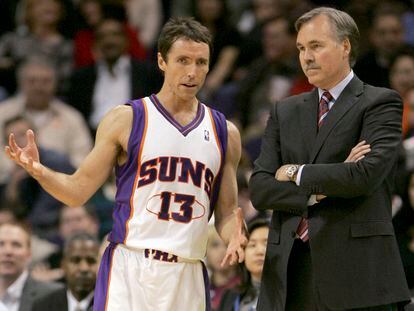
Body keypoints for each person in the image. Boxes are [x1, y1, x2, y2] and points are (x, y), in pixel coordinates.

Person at [5, 17, 247, 310]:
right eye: (182, 60)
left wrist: (235, 233)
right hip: (131, 266)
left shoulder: (225, 132)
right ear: (161, 61)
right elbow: (78, 191)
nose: (192, 72)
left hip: (189, 268)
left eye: (201, 62)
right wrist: (39, 171)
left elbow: (225, 213)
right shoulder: (128, 119)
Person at [249, 7, 411, 310]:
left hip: (357, 273)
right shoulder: (284, 111)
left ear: (345, 46)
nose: (306, 56)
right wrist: (318, 189)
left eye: (316, 46)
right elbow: (260, 188)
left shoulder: (380, 102)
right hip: (289, 270)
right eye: (300, 48)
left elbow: (363, 176)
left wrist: (296, 172)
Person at [0, 221, 62, 311]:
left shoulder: (53, 294)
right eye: (1, 244)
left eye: (16, 244)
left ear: (29, 254)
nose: (8, 251)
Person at [32, 233, 99, 311]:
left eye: (91, 261)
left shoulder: (112, 304)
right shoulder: (42, 306)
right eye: (75, 260)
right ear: (63, 265)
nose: (83, 268)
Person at [218, 217, 269, 311]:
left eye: (267, 244)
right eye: (252, 245)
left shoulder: (292, 295)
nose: (259, 251)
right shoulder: (230, 296)